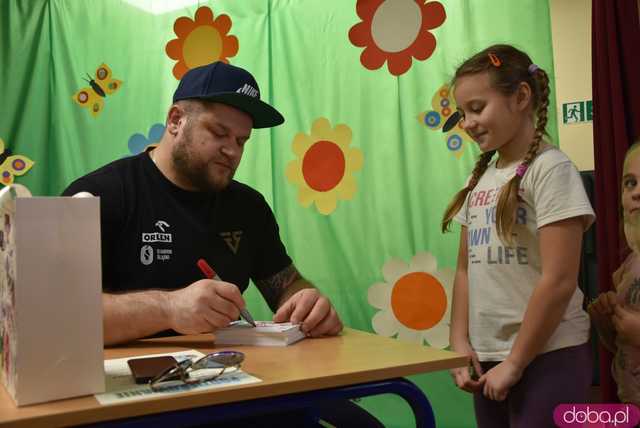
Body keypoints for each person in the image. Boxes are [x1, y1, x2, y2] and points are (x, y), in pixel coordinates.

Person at [63, 61, 343, 346]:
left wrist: (307, 303)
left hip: (229, 377)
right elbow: (59, 316)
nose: (232, 150)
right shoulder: (98, 195)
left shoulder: (248, 207)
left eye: (241, 140)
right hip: (121, 382)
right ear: (175, 121)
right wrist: (168, 309)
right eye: (218, 132)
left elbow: (286, 284)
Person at [441, 44, 595, 427]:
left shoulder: (551, 170)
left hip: (548, 355)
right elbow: (464, 270)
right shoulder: (479, 179)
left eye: (477, 108)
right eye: (462, 113)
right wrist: (458, 344)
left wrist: (516, 361)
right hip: (490, 358)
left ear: (521, 97)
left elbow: (559, 281)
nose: (468, 122)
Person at [588, 141, 640, 406]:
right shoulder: (627, 268)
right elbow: (619, 345)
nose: (636, 193)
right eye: (630, 183)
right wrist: (606, 322)